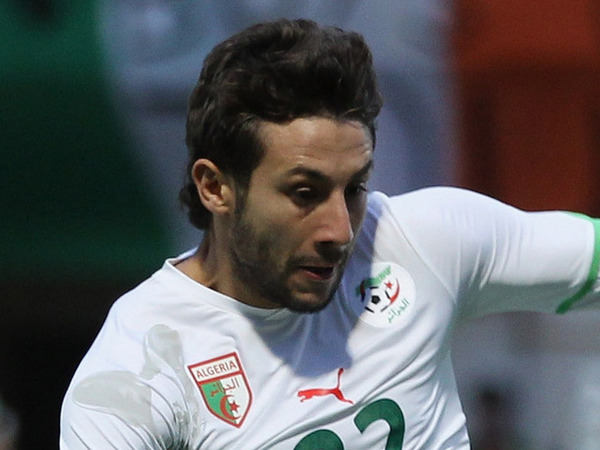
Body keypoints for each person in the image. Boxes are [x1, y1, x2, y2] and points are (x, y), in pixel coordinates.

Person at [60, 18, 600, 449]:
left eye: (355, 188)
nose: (340, 230)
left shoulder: (423, 241)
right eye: (304, 193)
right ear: (215, 187)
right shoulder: (136, 373)